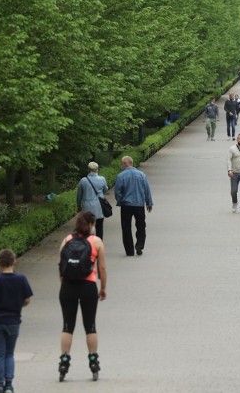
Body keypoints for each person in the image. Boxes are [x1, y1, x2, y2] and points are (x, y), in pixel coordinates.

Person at [57, 211, 107, 382]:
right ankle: (93, 359)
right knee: (90, 325)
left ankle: (64, 360)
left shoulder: (66, 241)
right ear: (92, 225)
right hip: (88, 286)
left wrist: (65, 283)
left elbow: (61, 267)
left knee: (67, 326)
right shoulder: (96, 242)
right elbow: (102, 269)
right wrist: (103, 288)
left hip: (68, 287)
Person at [0, 249, 33, 393]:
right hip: (14, 320)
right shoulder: (21, 279)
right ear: (14, 261)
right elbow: (27, 300)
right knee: (9, 353)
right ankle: (9, 384)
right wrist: (18, 306)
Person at [114, 156, 153, 256]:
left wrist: (120, 201)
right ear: (131, 163)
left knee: (126, 227)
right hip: (139, 204)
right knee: (141, 225)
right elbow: (147, 190)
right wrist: (149, 202)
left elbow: (117, 191)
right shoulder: (142, 175)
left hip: (126, 205)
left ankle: (129, 250)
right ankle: (139, 245)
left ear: (124, 164)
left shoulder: (121, 176)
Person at [77, 162, 109, 239]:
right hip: (99, 207)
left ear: (88, 170)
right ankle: (98, 244)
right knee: (99, 228)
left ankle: (88, 243)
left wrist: (78, 205)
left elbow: (79, 195)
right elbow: (105, 189)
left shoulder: (83, 181)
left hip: (87, 208)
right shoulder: (102, 179)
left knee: (87, 227)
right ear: (97, 170)